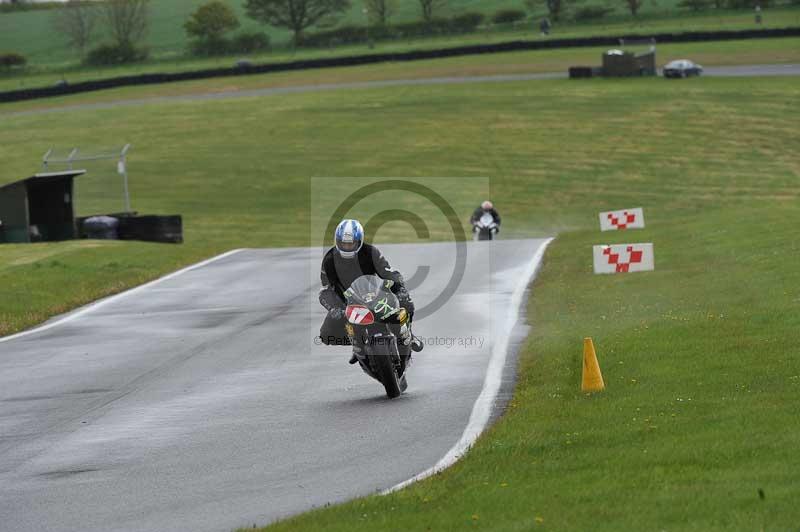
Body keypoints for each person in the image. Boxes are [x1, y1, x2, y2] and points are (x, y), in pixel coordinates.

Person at [319, 219, 421, 364]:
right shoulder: (329, 259)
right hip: (347, 303)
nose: (347, 247)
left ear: (359, 241)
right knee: (326, 335)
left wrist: (400, 288)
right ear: (337, 241)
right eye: (343, 243)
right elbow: (325, 291)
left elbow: (389, 273)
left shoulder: (370, 252)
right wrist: (334, 308)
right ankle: (358, 343)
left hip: (374, 295)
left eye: (351, 243)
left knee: (406, 302)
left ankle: (408, 335)